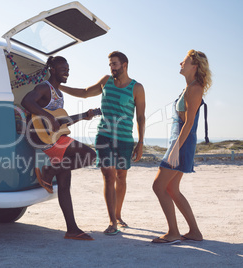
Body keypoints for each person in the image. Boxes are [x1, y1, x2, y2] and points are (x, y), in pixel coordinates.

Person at [59, 51, 146, 235]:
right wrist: (59, 86)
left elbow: (140, 117)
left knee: (121, 176)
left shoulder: (136, 88)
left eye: (114, 64)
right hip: (104, 136)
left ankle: (118, 215)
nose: (111, 68)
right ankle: (112, 221)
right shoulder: (106, 81)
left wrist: (140, 143)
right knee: (108, 175)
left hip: (124, 139)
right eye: (110, 65)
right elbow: (84, 93)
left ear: (124, 64)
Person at [21, 56, 96, 241]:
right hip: (43, 137)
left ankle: (72, 229)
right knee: (90, 155)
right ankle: (48, 171)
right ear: (52, 69)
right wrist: (48, 116)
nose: (67, 72)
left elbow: (60, 121)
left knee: (64, 185)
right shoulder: (44, 87)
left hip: (55, 137)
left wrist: (84, 116)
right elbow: (26, 101)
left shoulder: (59, 94)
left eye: (68, 69)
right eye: (63, 69)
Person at [152, 50, 212, 244]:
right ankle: (194, 232)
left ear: (194, 66)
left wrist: (176, 148)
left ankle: (173, 233)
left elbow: (188, 123)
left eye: (184, 61)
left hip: (182, 144)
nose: (180, 63)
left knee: (159, 186)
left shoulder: (195, 88)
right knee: (171, 189)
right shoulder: (189, 87)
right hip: (179, 143)